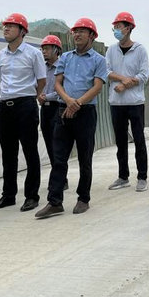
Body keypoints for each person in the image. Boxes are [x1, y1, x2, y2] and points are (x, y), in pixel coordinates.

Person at [35, 18, 107, 219]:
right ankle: (54, 202)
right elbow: (58, 83)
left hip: (86, 113)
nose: (77, 34)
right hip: (63, 111)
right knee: (59, 158)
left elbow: (97, 87)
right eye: (75, 31)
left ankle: (83, 198)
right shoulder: (66, 57)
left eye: (82, 31)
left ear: (92, 36)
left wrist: (78, 104)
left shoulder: (99, 60)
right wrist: (68, 101)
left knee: (85, 158)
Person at [0, 13, 46, 212]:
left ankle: (32, 196)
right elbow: (1, 79)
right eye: (5, 26)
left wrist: (30, 97)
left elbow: (42, 80)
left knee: (30, 151)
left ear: (22, 31)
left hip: (26, 105)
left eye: (11, 26)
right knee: (8, 153)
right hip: (5, 106)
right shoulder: (1, 54)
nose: (6, 29)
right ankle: (8, 195)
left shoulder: (34, 53)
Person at [105, 11, 149, 193]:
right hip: (116, 103)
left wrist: (125, 85)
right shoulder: (111, 50)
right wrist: (123, 78)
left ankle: (142, 177)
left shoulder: (140, 50)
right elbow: (107, 71)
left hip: (135, 102)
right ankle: (123, 176)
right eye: (114, 27)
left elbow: (144, 75)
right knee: (121, 142)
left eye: (119, 27)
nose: (116, 30)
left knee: (139, 140)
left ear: (129, 28)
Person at [37, 35, 68, 191]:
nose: (44, 51)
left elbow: (63, 89)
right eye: (43, 49)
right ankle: (59, 178)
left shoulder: (63, 66)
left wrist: (46, 96)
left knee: (58, 145)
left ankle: (60, 179)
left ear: (56, 50)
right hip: (45, 109)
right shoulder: (41, 67)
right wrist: (39, 95)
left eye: (47, 48)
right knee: (49, 144)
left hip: (58, 107)